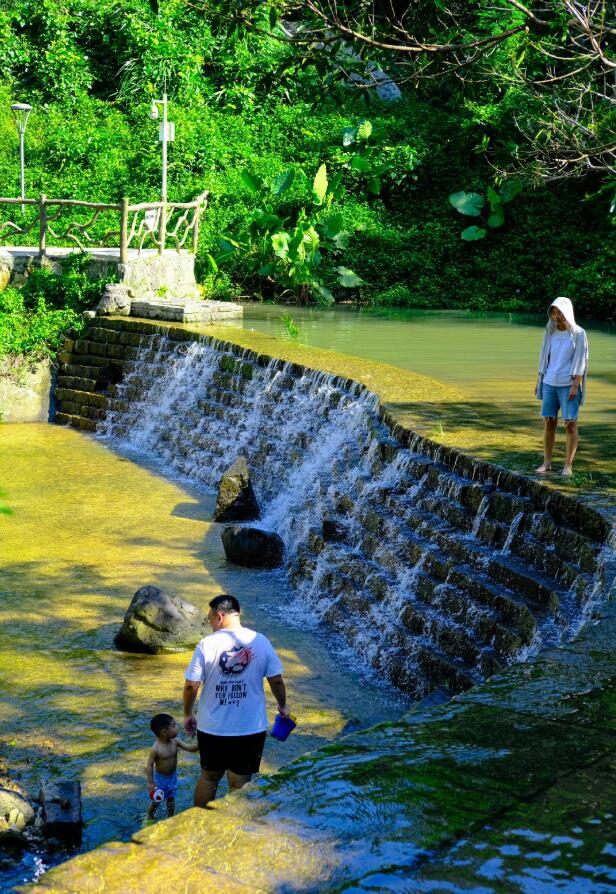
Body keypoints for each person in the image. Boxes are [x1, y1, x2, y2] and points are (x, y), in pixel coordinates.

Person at [183, 594, 290, 808]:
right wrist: (282, 706)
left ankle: (198, 826)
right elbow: (276, 681)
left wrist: (188, 714)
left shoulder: (206, 644)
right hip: (249, 728)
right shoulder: (261, 641)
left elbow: (190, 685)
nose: (210, 623)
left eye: (210, 619)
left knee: (208, 777)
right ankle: (233, 829)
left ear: (219, 616)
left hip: (212, 727)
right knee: (239, 783)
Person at [535, 296, 589, 478]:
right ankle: (547, 462)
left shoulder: (578, 333)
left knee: (570, 425)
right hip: (550, 382)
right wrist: (539, 381)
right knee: (549, 422)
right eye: (554, 312)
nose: (557, 316)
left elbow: (581, 359)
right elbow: (544, 358)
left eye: (559, 312)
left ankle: (568, 465)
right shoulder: (549, 332)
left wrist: (576, 384)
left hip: (568, 385)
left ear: (567, 311)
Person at [146, 713, 198, 820]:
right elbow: (149, 764)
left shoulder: (175, 742)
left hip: (172, 777)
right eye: (174, 726)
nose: (176, 728)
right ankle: (149, 818)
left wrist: (203, 742)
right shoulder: (156, 748)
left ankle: (170, 818)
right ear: (165, 732)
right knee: (157, 801)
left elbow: (191, 749)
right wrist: (151, 782)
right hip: (160, 779)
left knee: (171, 800)